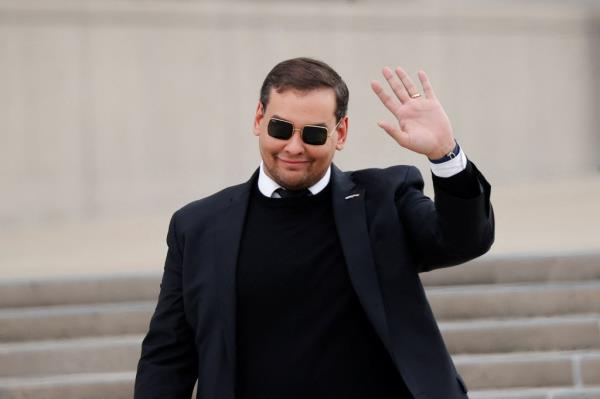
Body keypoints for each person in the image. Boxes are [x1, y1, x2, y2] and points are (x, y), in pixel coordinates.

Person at [134, 57, 494, 399]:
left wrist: (446, 155)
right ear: (259, 119)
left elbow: (462, 240)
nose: (294, 147)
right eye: (281, 128)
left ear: (341, 133)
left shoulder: (384, 200)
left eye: (313, 134)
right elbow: (168, 356)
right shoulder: (197, 227)